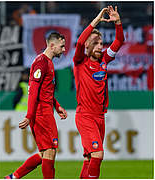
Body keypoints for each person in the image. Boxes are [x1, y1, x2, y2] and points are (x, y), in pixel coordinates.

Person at [5, 32, 68, 179]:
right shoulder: (41, 63)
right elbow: (33, 92)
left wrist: (57, 106)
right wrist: (29, 115)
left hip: (46, 112)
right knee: (50, 152)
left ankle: (13, 177)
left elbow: (46, 91)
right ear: (52, 46)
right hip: (41, 114)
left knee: (45, 153)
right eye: (62, 46)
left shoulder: (49, 63)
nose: (64, 49)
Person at [73, 6, 124, 179]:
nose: (99, 46)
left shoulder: (104, 59)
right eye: (95, 43)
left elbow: (118, 42)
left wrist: (117, 22)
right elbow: (79, 42)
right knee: (98, 155)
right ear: (88, 44)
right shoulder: (80, 60)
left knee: (89, 158)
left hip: (100, 116)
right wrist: (96, 20)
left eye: (101, 43)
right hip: (85, 116)